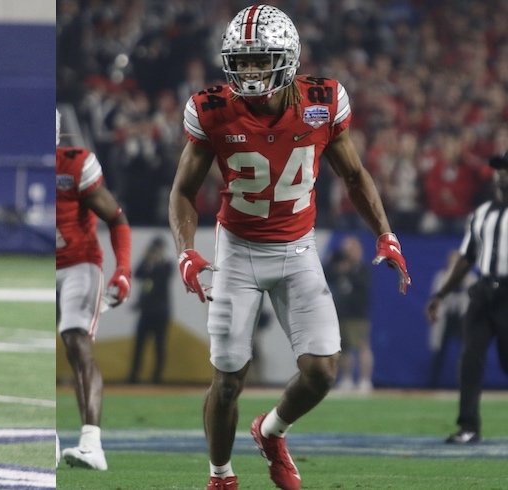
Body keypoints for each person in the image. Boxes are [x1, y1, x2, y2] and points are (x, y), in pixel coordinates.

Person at [168, 6, 411, 489]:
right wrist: (186, 249)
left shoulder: (323, 100)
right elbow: (182, 191)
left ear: (289, 59)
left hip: (298, 248)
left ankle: (271, 430)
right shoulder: (211, 109)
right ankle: (221, 476)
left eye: (262, 60)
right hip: (237, 250)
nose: (252, 70)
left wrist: (385, 232)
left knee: (322, 372)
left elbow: (354, 174)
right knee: (229, 376)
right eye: (244, 60)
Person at [57, 108, 131, 471]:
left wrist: (124, 270)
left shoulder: (74, 165)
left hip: (78, 263)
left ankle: (91, 444)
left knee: (77, 343)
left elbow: (116, 218)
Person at [425, 154, 508, 445]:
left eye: (506, 170)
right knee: (471, 359)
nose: (501, 175)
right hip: (483, 292)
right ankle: (468, 426)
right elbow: (467, 258)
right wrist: (441, 294)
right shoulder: (482, 212)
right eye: (499, 170)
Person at [325, 235, 372, 392]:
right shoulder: (338, 266)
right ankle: (346, 378)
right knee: (343, 349)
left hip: (357, 314)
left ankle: (365, 380)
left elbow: (363, 287)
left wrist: (349, 270)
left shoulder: (362, 268)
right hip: (341, 312)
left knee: (362, 346)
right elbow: (326, 274)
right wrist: (335, 263)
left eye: (350, 249)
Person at [127, 235, 173, 384]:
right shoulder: (147, 265)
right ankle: (133, 376)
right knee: (139, 346)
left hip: (160, 313)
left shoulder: (167, 265)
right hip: (146, 312)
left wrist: (156, 262)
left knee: (159, 347)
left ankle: (157, 378)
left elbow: (160, 282)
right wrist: (147, 260)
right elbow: (137, 274)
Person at [427, 249, 475, 389]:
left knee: (466, 352)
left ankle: (465, 384)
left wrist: (461, 274)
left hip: (462, 318)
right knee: (439, 352)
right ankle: (432, 385)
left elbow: (470, 297)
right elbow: (436, 296)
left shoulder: (470, 278)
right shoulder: (441, 277)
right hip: (445, 318)